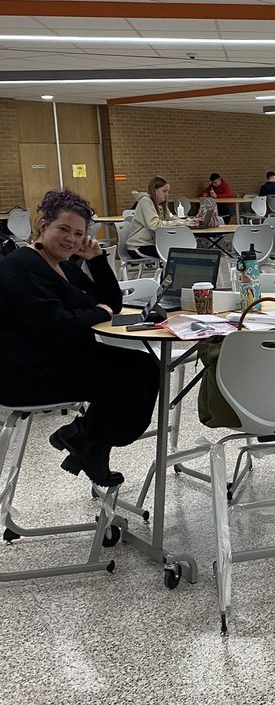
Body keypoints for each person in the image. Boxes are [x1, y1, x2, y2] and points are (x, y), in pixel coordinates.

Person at [0, 189, 159, 487]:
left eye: (78, 233)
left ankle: (86, 439)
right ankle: (87, 440)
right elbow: (56, 324)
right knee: (133, 375)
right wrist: (98, 312)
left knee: (145, 366)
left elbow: (111, 301)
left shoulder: (65, 266)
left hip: (60, 358)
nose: (70, 239)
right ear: (43, 225)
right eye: (63, 229)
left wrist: (97, 260)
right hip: (26, 373)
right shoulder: (21, 266)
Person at [127, 175, 197, 257]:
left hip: (152, 243)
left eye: (167, 191)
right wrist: (180, 223)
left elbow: (170, 218)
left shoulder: (160, 204)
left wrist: (186, 221)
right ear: (155, 190)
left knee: (179, 250)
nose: (167, 194)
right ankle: (169, 269)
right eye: (164, 191)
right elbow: (154, 225)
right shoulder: (145, 202)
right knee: (175, 253)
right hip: (138, 246)